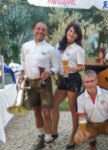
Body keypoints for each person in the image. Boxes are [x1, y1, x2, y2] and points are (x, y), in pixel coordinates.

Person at [18, 22, 58, 150]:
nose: (41, 32)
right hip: (30, 82)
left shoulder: (50, 49)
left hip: (44, 84)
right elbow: (23, 62)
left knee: (46, 112)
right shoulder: (26, 46)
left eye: (44, 30)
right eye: (38, 29)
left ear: (46, 32)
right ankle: (41, 135)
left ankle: (48, 138)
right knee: (36, 111)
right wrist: (21, 74)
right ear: (34, 30)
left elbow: (56, 67)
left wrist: (50, 72)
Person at [74, 70, 108, 150]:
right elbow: (82, 117)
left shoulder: (106, 93)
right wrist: (80, 130)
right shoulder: (80, 98)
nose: (89, 84)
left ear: (96, 81)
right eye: (87, 82)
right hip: (91, 125)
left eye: (92, 81)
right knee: (77, 139)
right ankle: (92, 141)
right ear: (84, 83)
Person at [51, 22, 84, 150]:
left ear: (77, 36)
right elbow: (56, 62)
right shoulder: (59, 45)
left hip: (73, 79)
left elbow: (81, 67)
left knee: (73, 110)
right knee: (53, 105)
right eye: (70, 31)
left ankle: (73, 136)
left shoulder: (78, 49)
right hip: (62, 79)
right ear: (66, 31)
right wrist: (57, 75)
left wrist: (72, 68)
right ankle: (54, 130)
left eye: (74, 32)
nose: (71, 34)